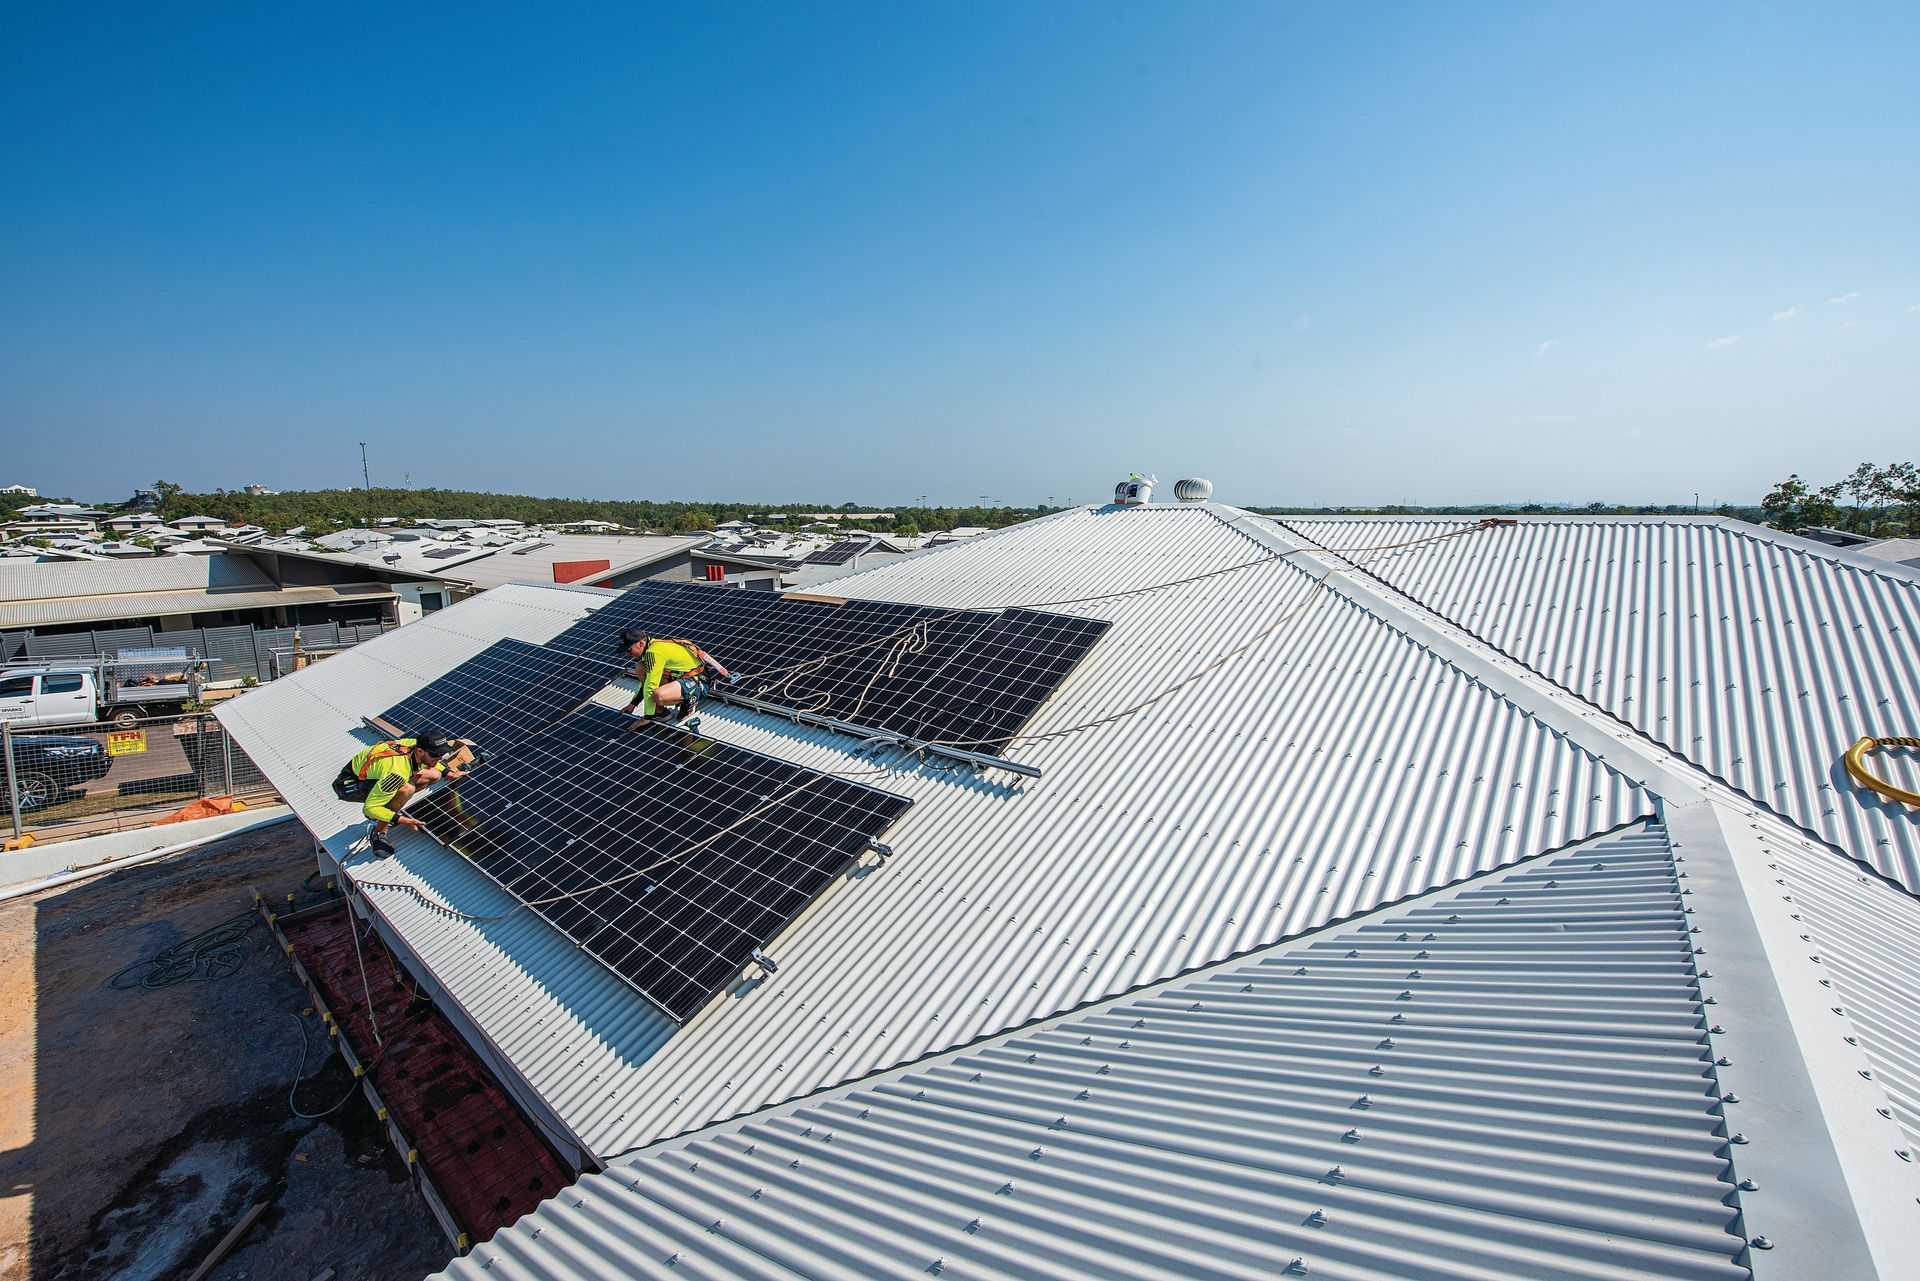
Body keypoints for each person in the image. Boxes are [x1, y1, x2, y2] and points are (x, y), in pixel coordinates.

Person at [341, 730, 461, 858]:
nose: (439, 758)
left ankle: (388, 807)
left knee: (435, 775)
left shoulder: (414, 744)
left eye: (442, 754)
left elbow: (435, 763)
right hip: (351, 785)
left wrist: (449, 773)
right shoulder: (396, 774)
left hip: (374, 773)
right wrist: (404, 820)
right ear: (420, 751)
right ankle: (378, 833)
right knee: (406, 789)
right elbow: (369, 808)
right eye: (435, 755)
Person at [619, 627, 731, 727]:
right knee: (640, 667)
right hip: (682, 677)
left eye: (629, 650)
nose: (628, 654)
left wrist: (647, 717)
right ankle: (661, 712)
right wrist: (633, 703)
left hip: (698, 682)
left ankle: (690, 700)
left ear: (641, 643)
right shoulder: (653, 647)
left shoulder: (654, 652)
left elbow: (651, 684)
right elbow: (648, 681)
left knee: (658, 695)